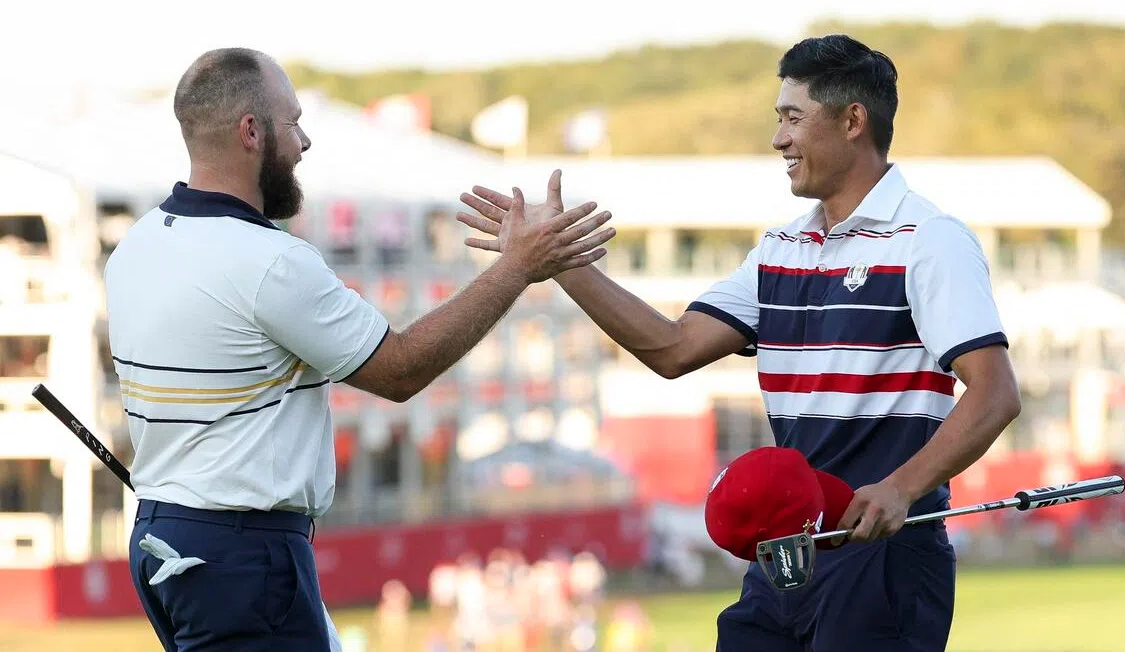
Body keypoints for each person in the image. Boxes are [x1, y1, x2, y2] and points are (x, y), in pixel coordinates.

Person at [455, 34, 1023, 651]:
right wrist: (560, 262)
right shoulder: (779, 249)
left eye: (793, 118)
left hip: (883, 552)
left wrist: (902, 487)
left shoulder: (929, 240)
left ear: (853, 120)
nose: (779, 138)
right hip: (787, 553)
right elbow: (672, 350)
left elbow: (995, 394)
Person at [103, 47, 615, 651]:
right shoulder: (271, 261)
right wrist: (518, 267)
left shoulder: (136, 245)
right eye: (292, 122)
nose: (304, 142)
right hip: (244, 551)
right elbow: (398, 371)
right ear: (251, 132)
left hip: (168, 533)